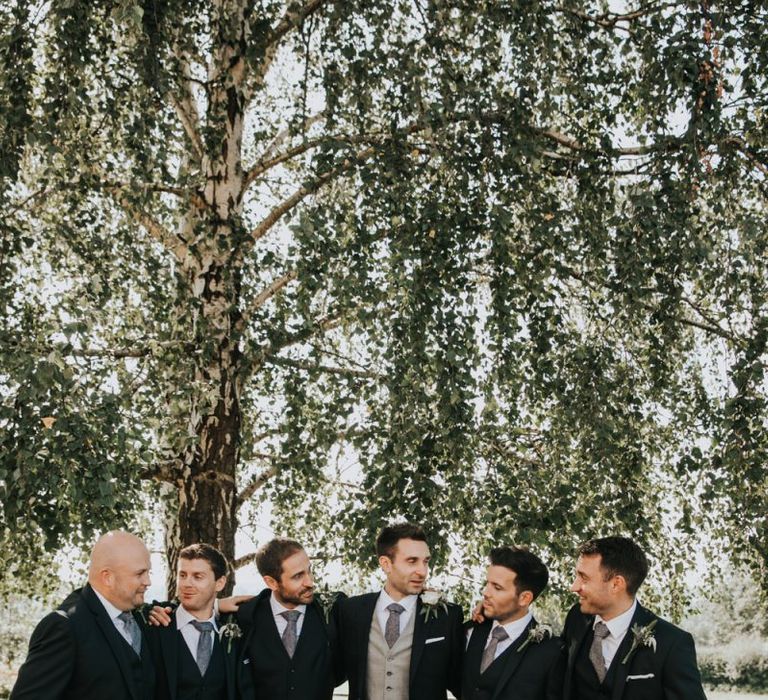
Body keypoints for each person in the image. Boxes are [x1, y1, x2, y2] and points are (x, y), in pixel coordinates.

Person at [11, 530, 156, 700]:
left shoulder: (143, 618)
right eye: (140, 573)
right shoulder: (64, 626)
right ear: (107, 577)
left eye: (148, 573)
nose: (148, 582)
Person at [562, 536, 707, 700]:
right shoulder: (576, 619)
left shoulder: (672, 643)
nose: (573, 587)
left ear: (616, 584)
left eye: (584, 578)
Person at [336, 522, 464, 700]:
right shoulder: (350, 610)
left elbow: (466, 683)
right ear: (386, 564)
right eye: (412, 561)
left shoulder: (448, 616)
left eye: (425, 561)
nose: (422, 571)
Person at [234, 537, 344, 700]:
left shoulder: (333, 610)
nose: (310, 582)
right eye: (298, 576)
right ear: (271, 582)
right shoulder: (245, 617)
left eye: (309, 570)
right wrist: (215, 605)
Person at [147, 543, 253, 700]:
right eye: (182, 575)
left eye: (197, 577)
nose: (187, 584)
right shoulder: (155, 624)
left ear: (220, 583)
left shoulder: (235, 632)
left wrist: (217, 605)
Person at [463, 546, 564, 700]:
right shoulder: (470, 629)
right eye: (487, 583)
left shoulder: (551, 652)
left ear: (525, 598)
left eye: (497, 587)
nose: (485, 592)